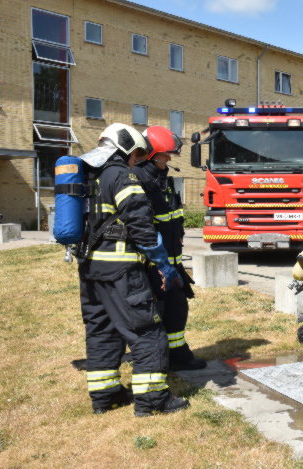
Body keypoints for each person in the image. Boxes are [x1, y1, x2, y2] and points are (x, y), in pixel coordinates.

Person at [78, 123, 189, 416]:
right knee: (148, 332)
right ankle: (153, 401)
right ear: (124, 146)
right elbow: (141, 225)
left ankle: (105, 396)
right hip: (122, 271)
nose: (136, 158)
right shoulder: (122, 176)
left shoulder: (90, 175)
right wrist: (163, 265)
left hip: (90, 270)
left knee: (102, 331)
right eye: (135, 152)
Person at [133, 126, 206, 371]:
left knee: (177, 308)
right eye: (166, 155)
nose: (170, 159)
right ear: (152, 154)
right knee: (157, 313)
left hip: (171, 262)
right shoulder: (139, 180)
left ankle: (178, 356)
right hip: (151, 264)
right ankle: (157, 360)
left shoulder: (163, 180)